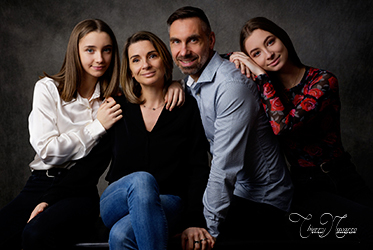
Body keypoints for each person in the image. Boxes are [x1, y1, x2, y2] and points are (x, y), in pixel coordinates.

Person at [0, 19, 183, 250]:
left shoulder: (113, 100)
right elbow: (47, 152)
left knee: (36, 234)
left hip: (81, 190)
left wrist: (176, 84)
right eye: (90, 50)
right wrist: (97, 126)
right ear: (75, 52)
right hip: (41, 182)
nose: (100, 59)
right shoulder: (48, 88)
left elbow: (149, 86)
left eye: (106, 50)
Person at [229, 17, 373, 243]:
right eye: (256, 53)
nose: (268, 54)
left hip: (344, 175)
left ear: (282, 38)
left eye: (270, 42)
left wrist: (261, 74)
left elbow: (284, 125)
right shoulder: (266, 89)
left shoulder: (323, 81)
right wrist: (178, 84)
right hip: (306, 186)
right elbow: (206, 63)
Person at [167, 6, 294, 244]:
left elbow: (224, 168)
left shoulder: (231, 86)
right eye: (176, 42)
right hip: (236, 193)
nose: (183, 51)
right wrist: (174, 84)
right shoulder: (194, 82)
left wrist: (208, 230)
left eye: (193, 40)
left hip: (263, 200)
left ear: (210, 39)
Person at [97, 31, 214, 250]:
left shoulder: (186, 107)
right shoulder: (117, 107)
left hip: (168, 200)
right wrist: (51, 197)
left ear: (164, 60)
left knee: (122, 235)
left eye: (152, 56)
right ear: (130, 70)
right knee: (141, 180)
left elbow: (198, 168)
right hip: (117, 200)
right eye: (136, 60)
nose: (146, 65)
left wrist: (193, 220)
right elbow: (92, 161)